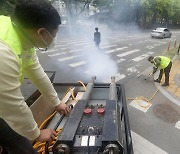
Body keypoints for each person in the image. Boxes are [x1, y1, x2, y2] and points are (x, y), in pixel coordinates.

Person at [0, 0, 70, 153]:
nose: (54, 40)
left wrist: (56, 102)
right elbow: (12, 105)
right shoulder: (3, 53)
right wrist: (37, 134)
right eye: (54, 35)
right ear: (41, 32)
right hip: (4, 104)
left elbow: (37, 73)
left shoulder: (21, 36)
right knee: (20, 142)